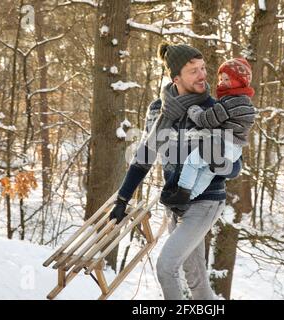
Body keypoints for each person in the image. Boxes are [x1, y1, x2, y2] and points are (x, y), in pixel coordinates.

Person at [109, 42, 242, 300]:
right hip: (175, 202)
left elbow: (235, 167)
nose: (203, 75)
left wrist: (213, 157)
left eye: (203, 68)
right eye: (193, 71)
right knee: (196, 279)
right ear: (175, 78)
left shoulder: (214, 111)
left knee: (165, 267)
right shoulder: (159, 111)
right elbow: (144, 157)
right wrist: (122, 199)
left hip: (205, 200)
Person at [160, 58, 257, 211]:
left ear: (240, 82)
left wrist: (194, 111)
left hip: (221, 144)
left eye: (227, 79)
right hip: (234, 149)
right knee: (206, 172)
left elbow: (207, 120)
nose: (222, 82)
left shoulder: (230, 103)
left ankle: (180, 195)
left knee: (192, 162)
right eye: (220, 79)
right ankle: (189, 200)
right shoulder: (247, 105)